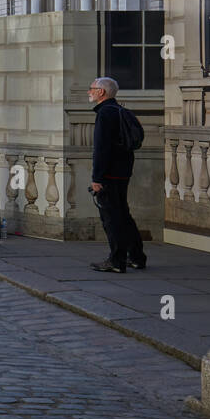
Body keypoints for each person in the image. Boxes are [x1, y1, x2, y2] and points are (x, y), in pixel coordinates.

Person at [88, 77, 146, 273]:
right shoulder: (122, 111)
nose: (89, 92)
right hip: (123, 172)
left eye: (92, 89)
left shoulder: (104, 114)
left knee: (111, 218)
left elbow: (101, 149)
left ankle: (116, 260)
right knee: (123, 215)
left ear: (101, 92)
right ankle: (137, 257)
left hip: (109, 175)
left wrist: (97, 178)